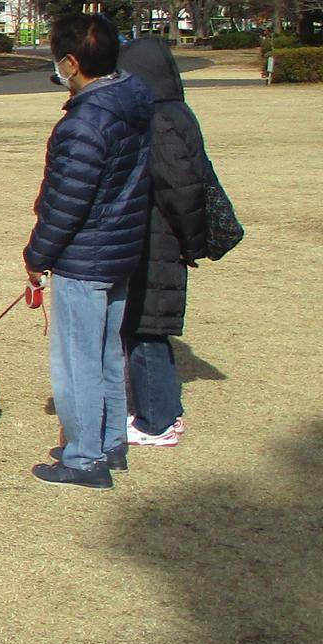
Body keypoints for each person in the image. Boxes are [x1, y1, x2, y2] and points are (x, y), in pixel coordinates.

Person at [23, 11, 153, 489]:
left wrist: (37, 255)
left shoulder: (85, 124)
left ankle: (83, 459)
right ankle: (109, 442)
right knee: (106, 353)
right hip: (120, 249)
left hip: (87, 255)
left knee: (78, 359)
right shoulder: (132, 102)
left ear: (73, 63)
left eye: (58, 60)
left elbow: (66, 203)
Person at [115, 36, 213, 450]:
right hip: (158, 236)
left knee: (146, 328)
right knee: (146, 326)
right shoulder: (174, 111)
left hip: (157, 238)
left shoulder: (160, 118)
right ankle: (163, 411)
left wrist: (191, 242)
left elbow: (181, 188)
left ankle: (158, 422)